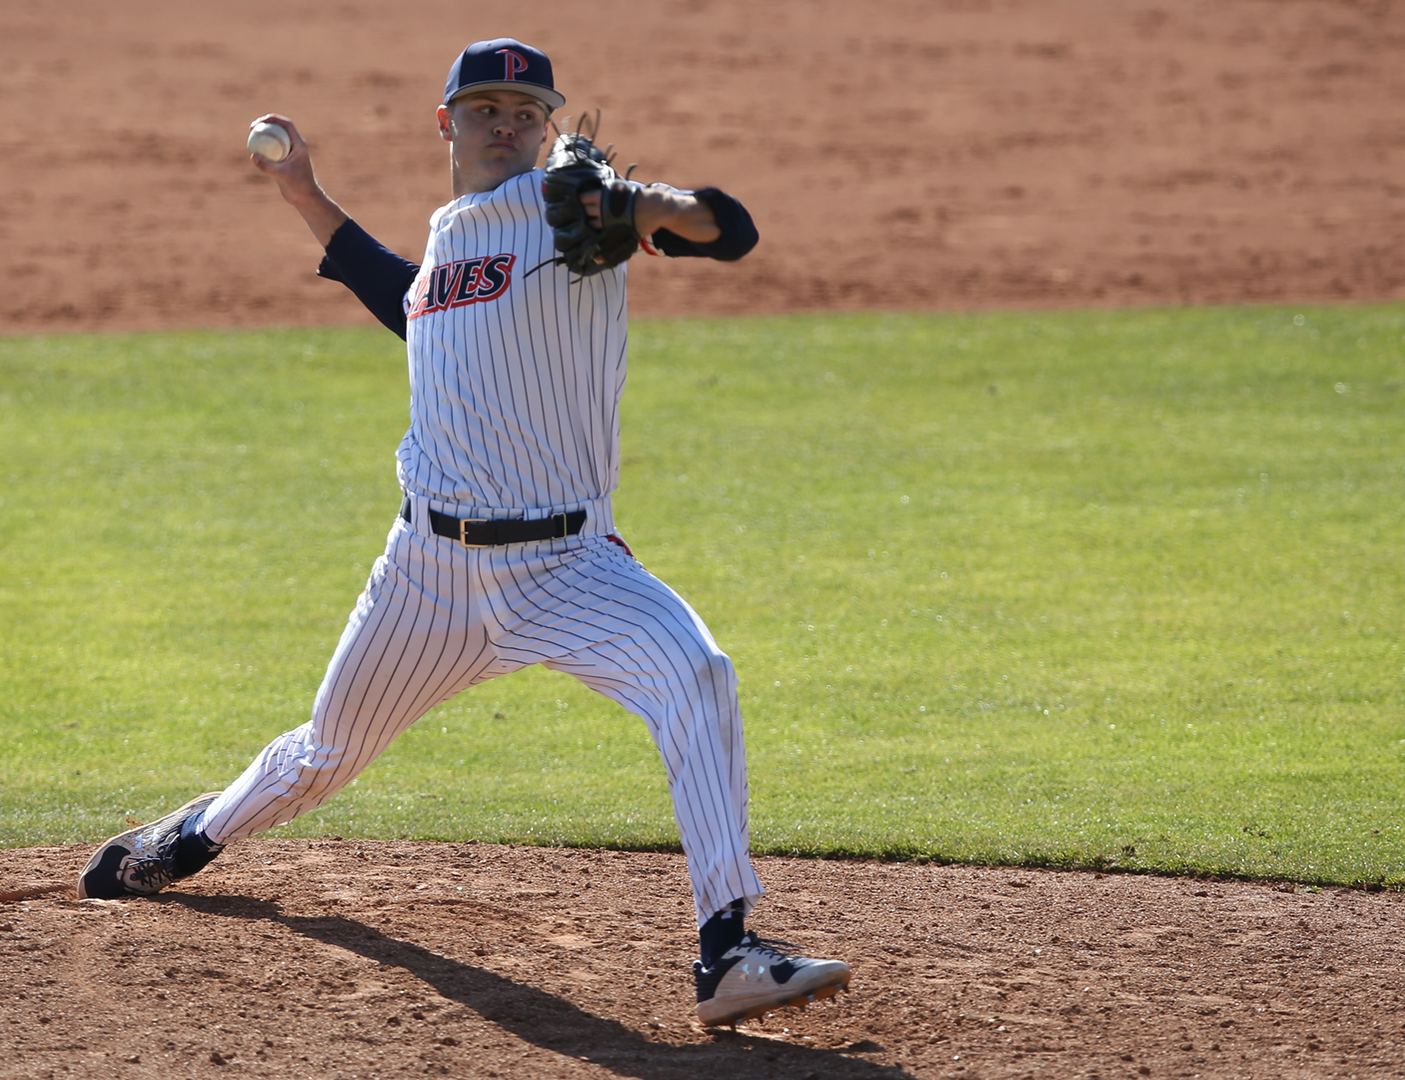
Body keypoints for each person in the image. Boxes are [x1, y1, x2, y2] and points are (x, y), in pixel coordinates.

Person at [78, 38, 851, 1027]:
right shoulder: (452, 236)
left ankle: (728, 950)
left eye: (524, 112)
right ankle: (186, 842)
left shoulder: (581, 220)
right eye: (483, 107)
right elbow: (412, 309)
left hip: (565, 567)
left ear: (547, 126)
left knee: (696, 673)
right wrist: (305, 195)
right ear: (448, 123)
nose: (504, 123)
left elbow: (727, 232)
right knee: (326, 752)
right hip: (425, 579)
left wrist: (656, 209)